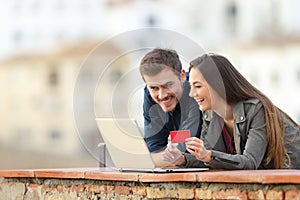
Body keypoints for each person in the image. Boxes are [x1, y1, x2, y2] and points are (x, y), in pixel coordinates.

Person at [163, 53, 300, 169]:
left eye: (198, 86)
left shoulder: (256, 109)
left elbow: (250, 162)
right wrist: (182, 159)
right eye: (191, 86)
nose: (192, 94)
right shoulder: (210, 115)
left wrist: (208, 155)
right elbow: (210, 158)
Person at [139, 48, 203, 157]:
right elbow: (153, 145)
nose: (162, 95)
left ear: (182, 76)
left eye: (168, 85)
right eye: (154, 88)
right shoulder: (150, 94)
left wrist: (148, 161)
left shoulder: (195, 91)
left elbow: (184, 150)